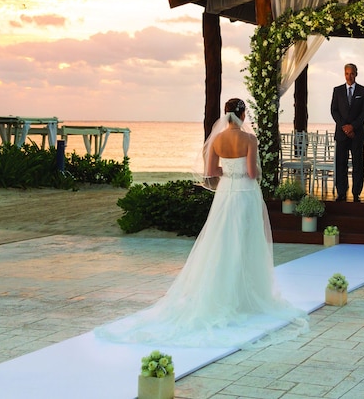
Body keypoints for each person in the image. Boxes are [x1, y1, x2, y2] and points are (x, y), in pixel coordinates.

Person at [95, 98, 306, 348]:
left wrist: (229, 172)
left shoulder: (216, 140)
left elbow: (210, 172)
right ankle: (245, 296)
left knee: (222, 241)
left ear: (226, 115)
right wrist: (257, 172)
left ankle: (221, 293)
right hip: (245, 193)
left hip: (226, 192)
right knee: (247, 240)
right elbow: (252, 173)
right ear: (242, 113)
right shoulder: (250, 139)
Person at [330, 63, 364, 202]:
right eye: (347, 73)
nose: (349, 76)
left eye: (352, 73)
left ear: (356, 74)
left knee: (357, 164)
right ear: (344, 74)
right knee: (341, 163)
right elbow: (334, 110)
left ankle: (356, 193)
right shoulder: (337, 90)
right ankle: (341, 192)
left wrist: (352, 127)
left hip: (357, 134)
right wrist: (344, 127)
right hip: (341, 134)